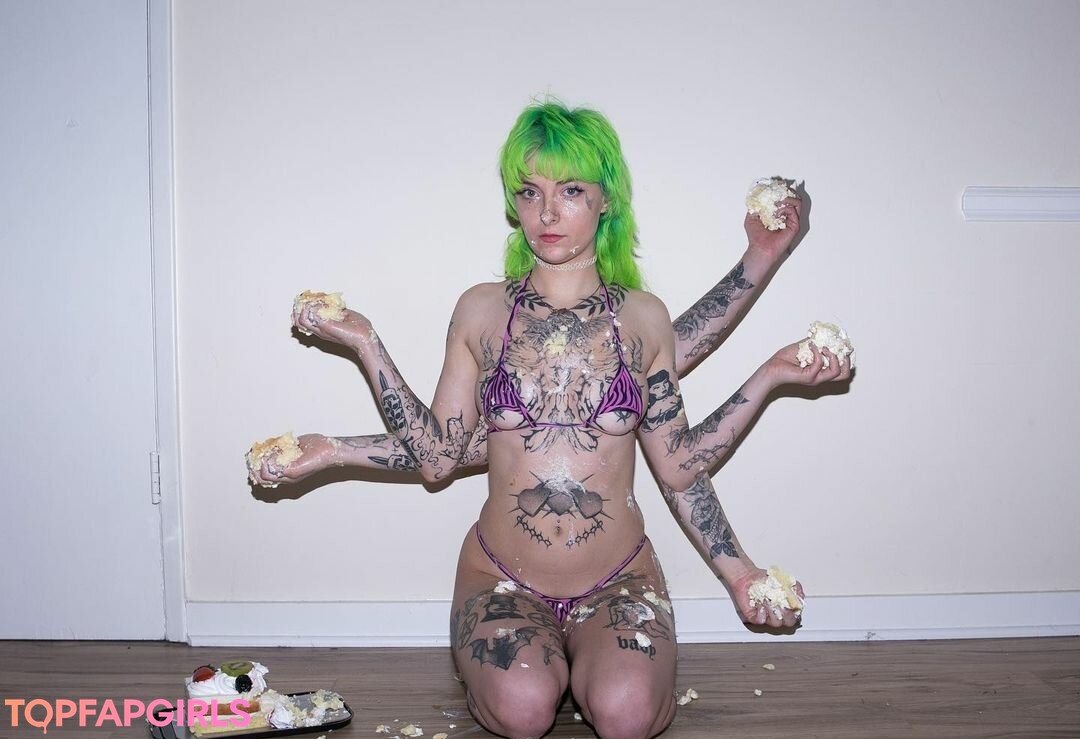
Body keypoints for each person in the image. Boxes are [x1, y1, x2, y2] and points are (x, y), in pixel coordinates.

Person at [251, 102, 851, 739]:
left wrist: (770, 377)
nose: (547, 212)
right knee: (523, 708)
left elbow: (680, 468)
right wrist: (364, 347)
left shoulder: (644, 318)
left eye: (570, 191)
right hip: (501, 579)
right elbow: (440, 455)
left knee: (627, 715)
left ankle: (595, 668)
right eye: (529, 192)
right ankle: (535, 672)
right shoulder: (481, 310)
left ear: (605, 200)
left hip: (620, 581)